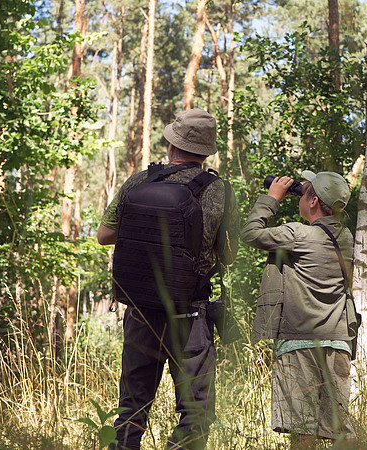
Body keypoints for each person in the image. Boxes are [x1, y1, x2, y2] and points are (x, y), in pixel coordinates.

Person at [97, 108, 239, 450]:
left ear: (171, 144)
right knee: (195, 413)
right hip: (189, 317)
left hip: (140, 314)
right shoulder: (219, 190)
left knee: (131, 410)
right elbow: (229, 255)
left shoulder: (138, 181)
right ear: (206, 153)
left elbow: (104, 235)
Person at [241, 172, 359, 448]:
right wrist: (303, 191)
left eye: (303, 192)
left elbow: (250, 233)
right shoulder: (346, 237)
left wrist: (272, 198)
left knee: (302, 428)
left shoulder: (297, 233)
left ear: (314, 201)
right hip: (338, 340)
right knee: (339, 426)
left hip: (300, 342)